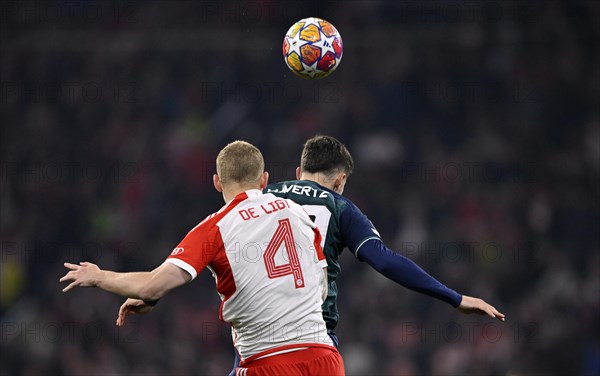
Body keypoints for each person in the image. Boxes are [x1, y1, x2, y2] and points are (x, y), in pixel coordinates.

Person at [60, 140, 345, 376]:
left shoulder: (215, 228)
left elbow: (151, 285)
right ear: (264, 179)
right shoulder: (298, 213)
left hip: (266, 363)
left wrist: (99, 276)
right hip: (324, 359)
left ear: (217, 183)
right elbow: (319, 290)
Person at [264, 135, 505, 343]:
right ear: (340, 180)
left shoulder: (261, 197)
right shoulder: (341, 207)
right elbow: (385, 261)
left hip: (259, 334)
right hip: (312, 338)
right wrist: (455, 297)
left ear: (299, 173)